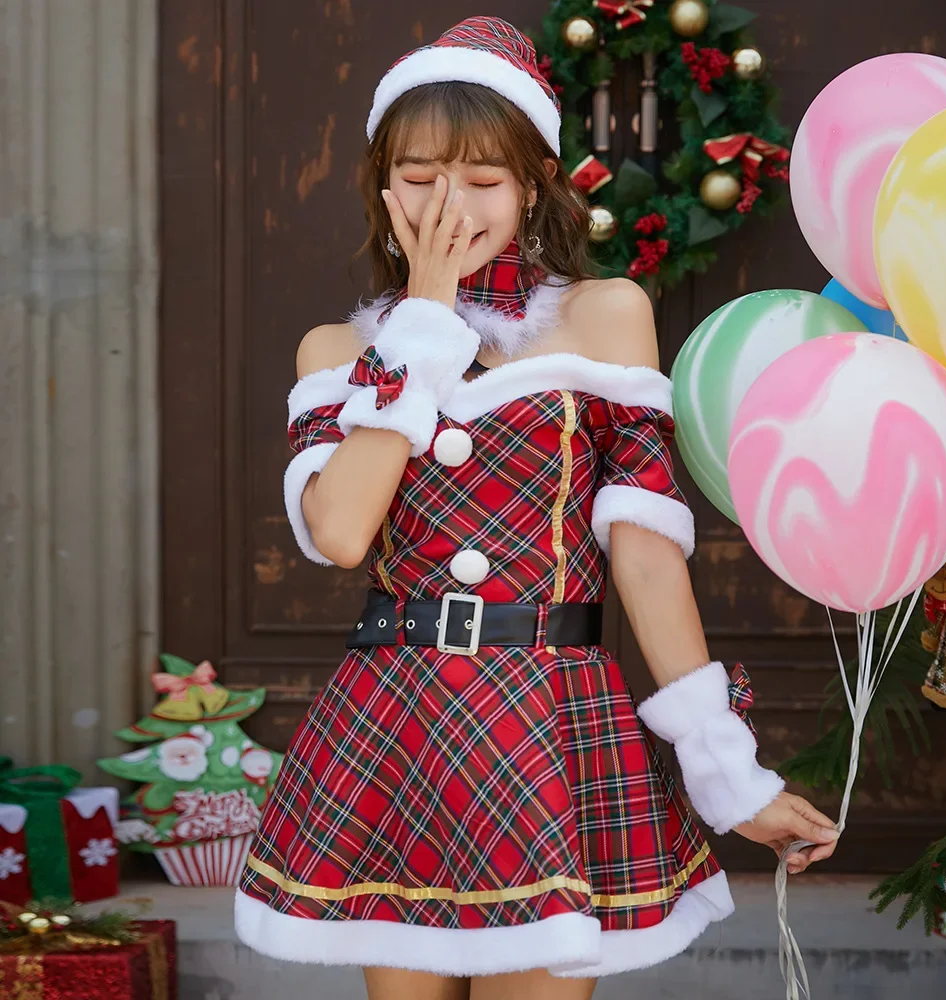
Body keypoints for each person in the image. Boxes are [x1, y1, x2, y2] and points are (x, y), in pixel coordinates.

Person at [234, 16, 840, 1000]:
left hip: (547, 718)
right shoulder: (333, 355)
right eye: (421, 174)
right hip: (401, 719)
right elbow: (341, 533)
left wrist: (732, 776)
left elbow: (644, 557)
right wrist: (422, 318)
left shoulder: (605, 315)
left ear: (529, 187)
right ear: (381, 184)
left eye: (482, 178)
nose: (449, 204)